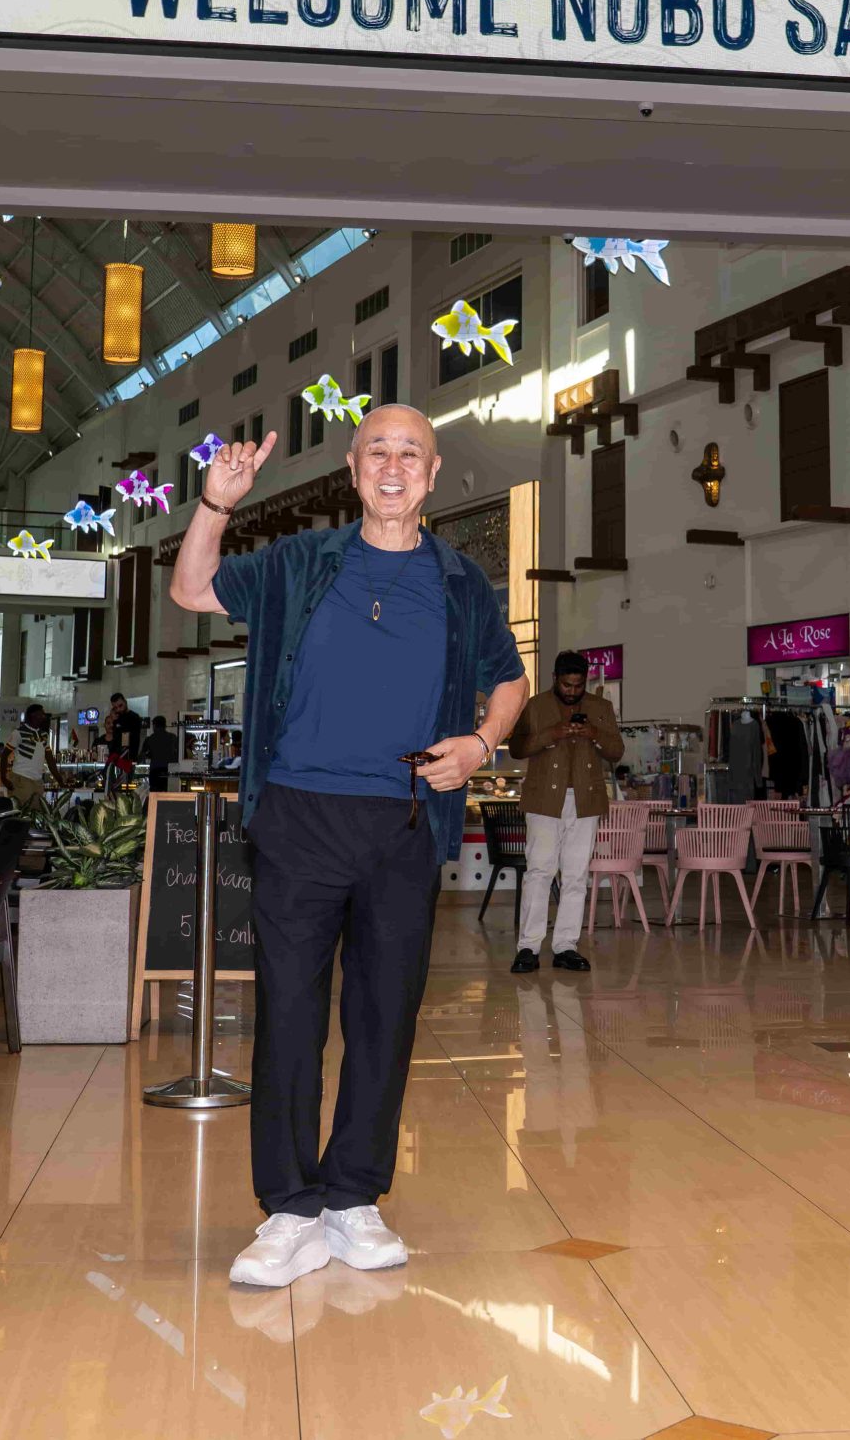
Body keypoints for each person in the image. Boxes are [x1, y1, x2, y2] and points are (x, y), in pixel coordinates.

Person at [171, 404, 527, 1289]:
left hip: (406, 820)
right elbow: (190, 591)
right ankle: (290, 1209)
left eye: (412, 452)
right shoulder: (302, 562)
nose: (395, 465)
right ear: (352, 467)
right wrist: (214, 504)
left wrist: (481, 744)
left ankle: (354, 1196)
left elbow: (510, 680)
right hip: (297, 815)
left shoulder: (459, 580)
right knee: (290, 1012)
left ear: (434, 473)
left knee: (385, 1013)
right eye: (379, 451)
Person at [505, 650, 623, 974]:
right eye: (567, 684)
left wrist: (594, 735)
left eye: (578, 685)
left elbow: (616, 751)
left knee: (576, 876)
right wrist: (551, 735)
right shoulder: (535, 706)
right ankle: (528, 947)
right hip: (544, 801)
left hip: (585, 802)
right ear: (556, 679)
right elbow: (516, 748)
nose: (572, 691)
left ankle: (566, 946)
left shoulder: (601, 709)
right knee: (539, 872)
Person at [3, 703, 52, 809]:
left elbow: (50, 758)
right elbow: (4, 755)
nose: (44, 717)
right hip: (21, 778)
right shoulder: (19, 733)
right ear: (33, 715)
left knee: (36, 813)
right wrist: (4, 778)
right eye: (41, 714)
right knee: (21, 812)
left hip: (37, 780)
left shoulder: (44, 735)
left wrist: (59, 779)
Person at [142, 714, 179, 792]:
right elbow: (178, 753)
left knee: (155, 793)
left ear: (154, 725)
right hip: (170, 770)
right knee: (168, 792)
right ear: (164, 725)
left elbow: (143, 754)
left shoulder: (150, 739)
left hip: (155, 770)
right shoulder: (172, 737)